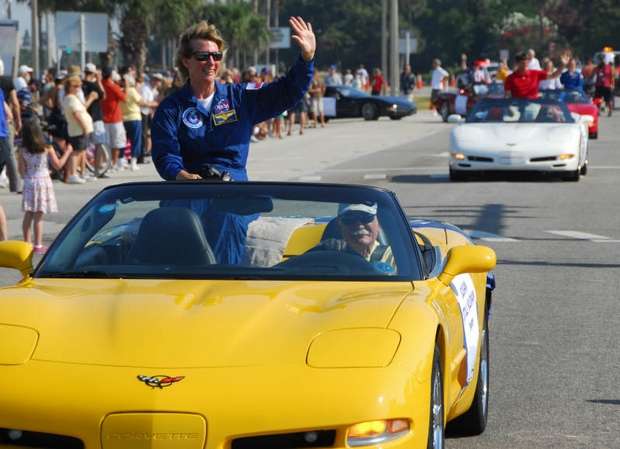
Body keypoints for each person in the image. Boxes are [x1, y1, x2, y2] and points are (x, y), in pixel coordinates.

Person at [152, 16, 315, 182]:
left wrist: (306, 59)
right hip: (189, 194)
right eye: (202, 56)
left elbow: (286, 92)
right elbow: (166, 154)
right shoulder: (171, 108)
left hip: (233, 196)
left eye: (216, 56)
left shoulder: (240, 96)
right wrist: (181, 175)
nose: (211, 62)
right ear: (186, 61)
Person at [18, 120, 73, 254]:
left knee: (28, 214)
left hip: (30, 181)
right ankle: (37, 244)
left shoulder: (22, 150)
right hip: (43, 181)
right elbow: (58, 165)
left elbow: (21, 170)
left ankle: (27, 243)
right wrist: (68, 152)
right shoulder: (46, 147)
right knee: (38, 216)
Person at [309, 203, 395, 272]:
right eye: (350, 219)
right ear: (340, 224)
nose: (359, 225)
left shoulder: (395, 257)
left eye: (366, 217)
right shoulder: (322, 258)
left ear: (378, 221)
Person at [62, 75, 94, 183]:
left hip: (79, 129)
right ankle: (73, 174)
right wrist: (84, 127)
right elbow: (76, 114)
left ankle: (79, 172)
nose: (78, 88)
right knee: (76, 152)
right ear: (70, 87)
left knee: (81, 151)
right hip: (78, 129)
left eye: (79, 86)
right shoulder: (70, 98)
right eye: (76, 86)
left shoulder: (73, 98)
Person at [82, 63, 109, 177]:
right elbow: (103, 96)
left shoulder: (81, 85)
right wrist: (98, 81)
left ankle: (84, 170)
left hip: (84, 118)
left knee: (83, 146)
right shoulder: (93, 86)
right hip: (96, 118)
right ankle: (97, 170)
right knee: (99, 144)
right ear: (94, 73)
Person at [0, 59, 22, 193]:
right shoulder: (7, 81)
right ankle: (15, 184)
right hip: (4, 124)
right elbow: (14, 103)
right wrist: (18, 120)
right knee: (10, 154)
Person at [101, 67, 128, 171]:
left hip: (103, 118)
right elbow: (124, 98)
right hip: (114, 119)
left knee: (106, 143)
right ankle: (113, 163)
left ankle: (106, 163)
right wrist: (127, 87)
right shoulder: (112, 86)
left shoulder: (101, 84)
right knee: (116, 143)